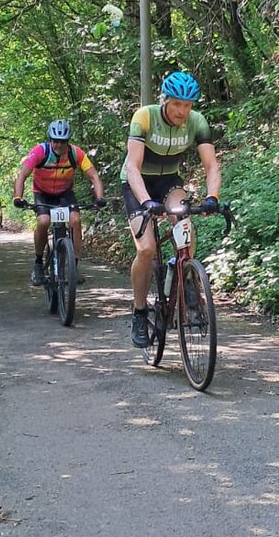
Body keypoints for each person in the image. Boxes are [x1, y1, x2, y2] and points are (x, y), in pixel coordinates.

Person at [121, 70, 221, 347]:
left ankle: (184, 272)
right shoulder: (145, 116)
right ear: (166, 101)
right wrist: (146, 202)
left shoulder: (197, 122)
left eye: (187, 105)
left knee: (184, 221)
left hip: (168, 182)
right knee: (146, 249)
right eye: (177, 104)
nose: (182, 111)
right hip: (136, 182)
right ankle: (140, 312)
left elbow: (211, 165)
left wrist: (212, 196)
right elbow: (132, 167)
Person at [12, 120, 107, 285]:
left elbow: (94, 177)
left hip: (64, 193)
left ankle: (74, 267)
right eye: (55, 140)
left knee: (76, 220)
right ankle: (38, 263)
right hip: (42, 193)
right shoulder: (40, 151)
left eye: (62, 141)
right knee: (43, 221)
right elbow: (22, 175)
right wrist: (18, 197)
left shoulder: (76, 153)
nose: (58, 145)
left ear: (68, 141)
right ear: (50, 139)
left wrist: (99, 198)